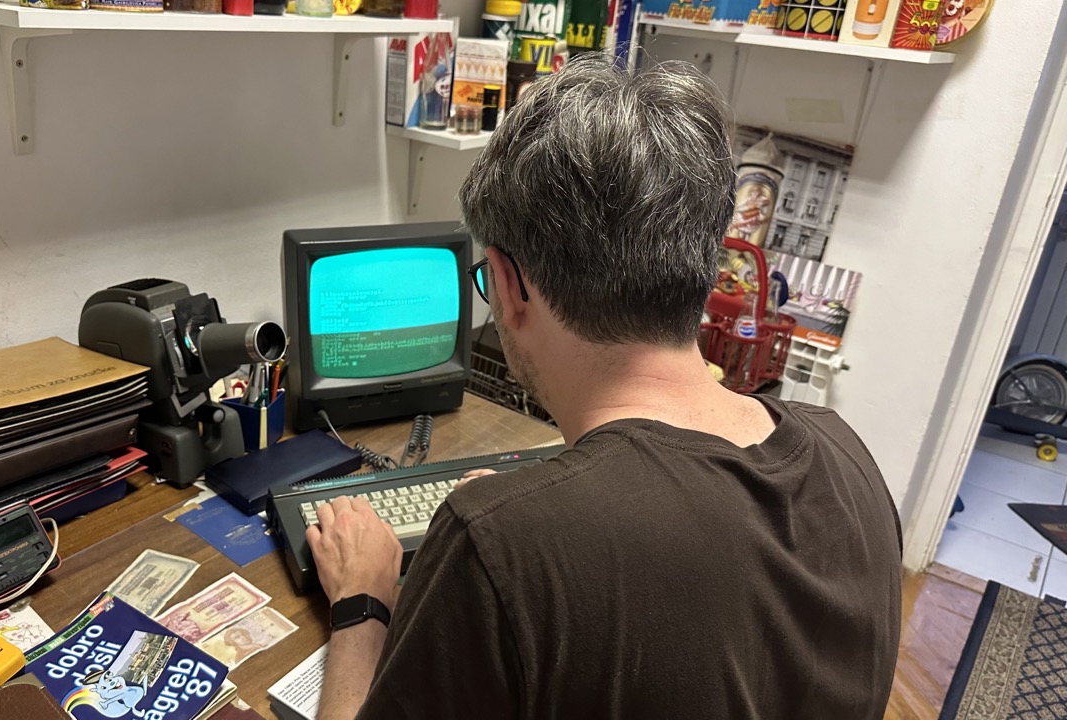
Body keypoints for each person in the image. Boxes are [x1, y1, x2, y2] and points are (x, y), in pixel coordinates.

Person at [304, 54, 901, 720]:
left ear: (508, 284)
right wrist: (540, 516)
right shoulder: (847, 453)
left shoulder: (503, 544)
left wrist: (362, 603)